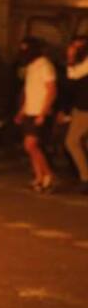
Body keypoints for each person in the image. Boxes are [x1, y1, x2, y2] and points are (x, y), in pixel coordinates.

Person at [15, 36, 57, 193]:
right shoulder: (31, 66)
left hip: (40, 111)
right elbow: (29, 91)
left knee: (31, 145)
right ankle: (39, 177)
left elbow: (51, 90)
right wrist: (22, 110)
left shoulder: (45, 65)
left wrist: (43, 112)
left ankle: (49, 175)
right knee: (30, 147)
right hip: (30, 111)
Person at [62, 35, 88, 193]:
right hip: (80, 107)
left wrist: (71, 59)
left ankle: (85, 178)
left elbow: (74, 77)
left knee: (72, 141)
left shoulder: (83, 65)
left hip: (85, 109)